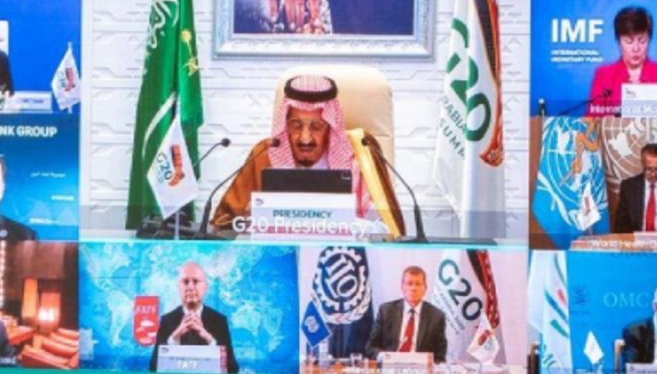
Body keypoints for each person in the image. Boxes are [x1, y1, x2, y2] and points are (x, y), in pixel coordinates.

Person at [210, 74, 403, 231]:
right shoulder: (265, 154)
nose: (305, 138)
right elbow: (223, 224)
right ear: (285, 124)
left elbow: (386, 231)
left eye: (316, 126)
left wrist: (339, 225)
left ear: (330, 126)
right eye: (295, 125)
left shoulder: (362, 153)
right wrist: (250, 220)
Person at [587, 7, 657, 116]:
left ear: (649, 40)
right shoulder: (604, 75)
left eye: (642, 41)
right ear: (619, 42)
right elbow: (592, 119)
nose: (636, 48)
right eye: (629, 41)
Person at [149, 262, 239, 373]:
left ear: (205, 287)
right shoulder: (167, 321)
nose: (190, 287)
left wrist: (209, 339)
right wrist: (174, 337)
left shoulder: (219, 321)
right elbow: (153, 368)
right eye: (185, 282)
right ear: (178, 287)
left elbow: (232, 369)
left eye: (196, 281)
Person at [365, 266, 447, 363]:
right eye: (409, 283)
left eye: (418, 284)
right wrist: (383, 357)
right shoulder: (386, 311)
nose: (413, 288)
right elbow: (371, 347)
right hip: (390, 366)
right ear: (402, 287)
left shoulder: (437, 316)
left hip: (420, 368)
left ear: (425, 288)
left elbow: (440, 356)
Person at [614, 143, 657, 234]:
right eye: (649, 169)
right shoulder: (628, 187)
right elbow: (620, 224)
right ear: (642, 164)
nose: (653, 174)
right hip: (638, 239)